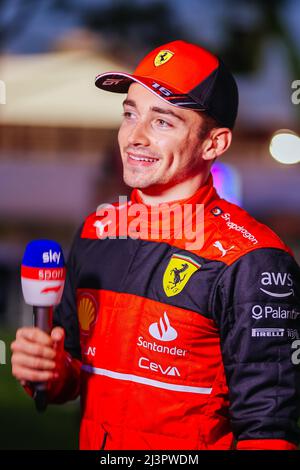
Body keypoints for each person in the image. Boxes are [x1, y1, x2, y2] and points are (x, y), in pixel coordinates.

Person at [11, 40, 300, 450]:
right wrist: (50, 371)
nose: (134, 136)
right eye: (130, 113)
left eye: (163, 122)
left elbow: (268, 432)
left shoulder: (251, 259)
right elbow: (75, 370)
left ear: (213, 144)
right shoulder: (95, 231)